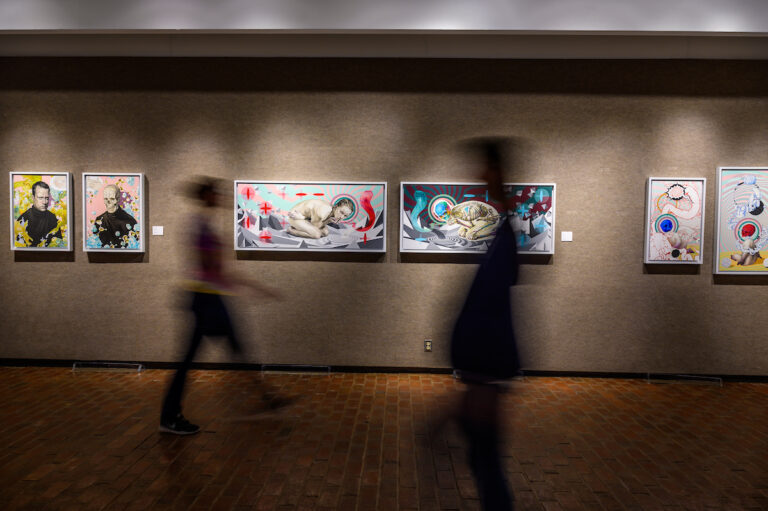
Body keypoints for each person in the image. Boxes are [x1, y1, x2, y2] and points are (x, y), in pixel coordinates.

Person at [160, 177, 283, 435]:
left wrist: (251, 286)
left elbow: (216, 268)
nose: (220, 198)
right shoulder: (200, 226)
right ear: (206, 196)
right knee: (199, 356)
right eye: (215, 194)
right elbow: (213, 268)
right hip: (206, 299)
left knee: (234, 347)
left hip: (207, 297)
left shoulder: (203, 225)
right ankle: (170, 415)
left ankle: (267, 396)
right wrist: (256, 287)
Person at [451, 138, 520, 510]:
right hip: (481, 376)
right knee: (483, 462)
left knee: (487, 466)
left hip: (484, 377)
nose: (478, 174)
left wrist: (483, 383)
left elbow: (492, 309)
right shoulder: (502, 237)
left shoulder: (505, 239)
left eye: (486, 167)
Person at [17, 181, 62, 247]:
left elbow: (59, 244)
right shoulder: (23, 218)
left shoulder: (52, 218)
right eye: (40, 198)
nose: (44, 202)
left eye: (46, 198)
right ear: (33, 198)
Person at [93, 184, 139, 248]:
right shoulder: (99, 220)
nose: (108, 202)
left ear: (118, 199)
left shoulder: (129, 221)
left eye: (112, 199)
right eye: (106, 199)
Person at [286, 197, 354, 239]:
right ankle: (291, 230)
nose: (341, 217)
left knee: (325, 232)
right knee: (317, 234)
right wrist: (328, 221)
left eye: (345, 216)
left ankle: (301, 226)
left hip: (306, 218)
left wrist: (328, 220)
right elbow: (315, 226)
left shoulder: (332, 211)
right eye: (341, 212)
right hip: (295, 216)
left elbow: (317, 223)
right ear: (336, 207)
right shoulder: (325, 210)